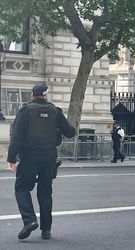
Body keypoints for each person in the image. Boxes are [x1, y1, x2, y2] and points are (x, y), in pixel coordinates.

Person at [7, 83, 75, 240]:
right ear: (46, 95)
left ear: (32, 95)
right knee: (45, 192)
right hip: (49, 158)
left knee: (22, 188)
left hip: (30, 156)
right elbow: (70, 132)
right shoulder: (55, 111)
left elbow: (16, 137)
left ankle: (30, 221)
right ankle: (46, 230)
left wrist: (11, 158)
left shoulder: (25, 111)